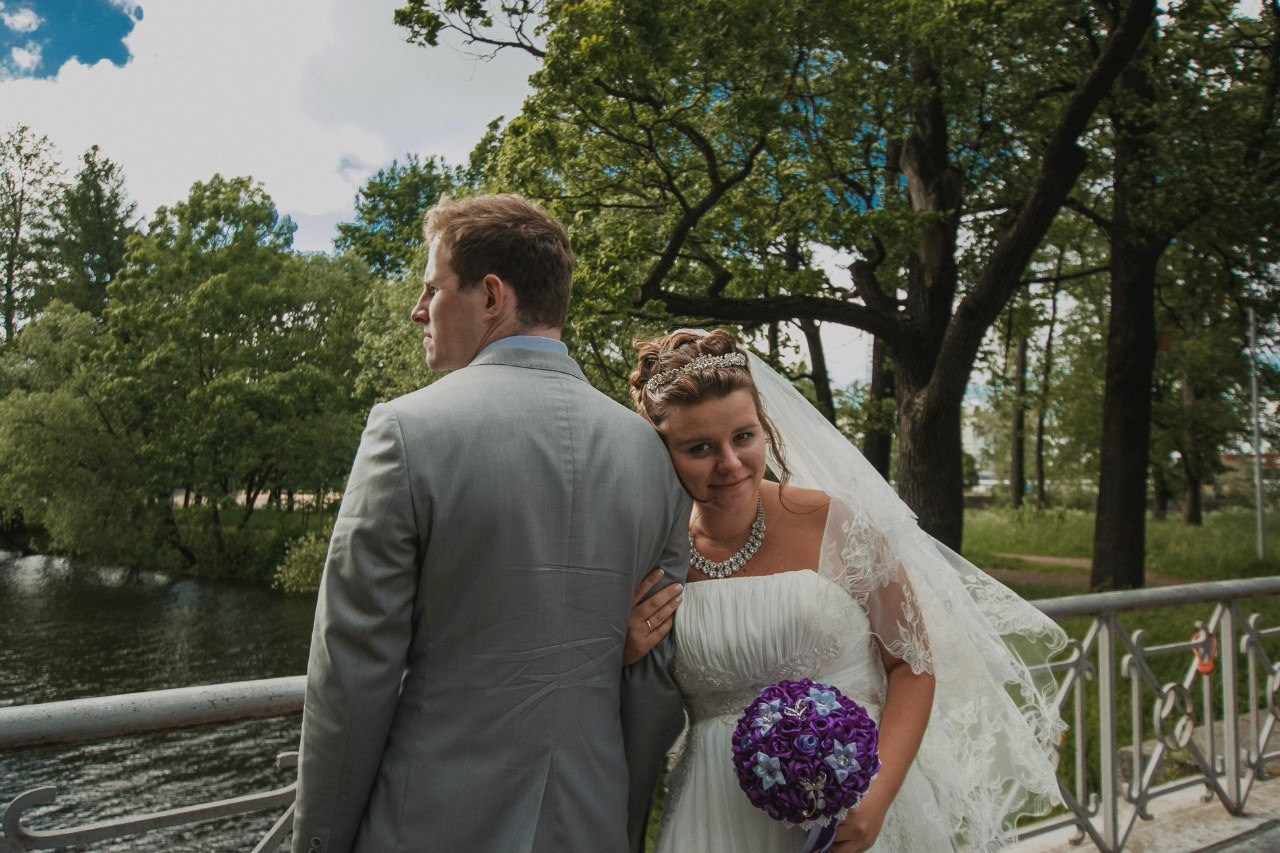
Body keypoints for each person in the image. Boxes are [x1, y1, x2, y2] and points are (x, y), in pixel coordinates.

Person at [292, 194, 691, 853]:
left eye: (431, 288)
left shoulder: (405, 432)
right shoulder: (651, 455)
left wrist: (318, 844)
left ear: (491, 296)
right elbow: (652, 683)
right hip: (590, 822)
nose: (418, 310)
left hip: (427, 826)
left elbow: (351, 675)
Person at [625, 329, 1067, 853]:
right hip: (711, 814)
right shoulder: (653, 553)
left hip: (850, 809)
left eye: (744, 437)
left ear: (764, 428)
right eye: (699, 448)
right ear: (662, 451)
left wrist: (874, 800)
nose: (730, 463)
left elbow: (913, 666)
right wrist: (625, 651)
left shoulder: (835, 523)